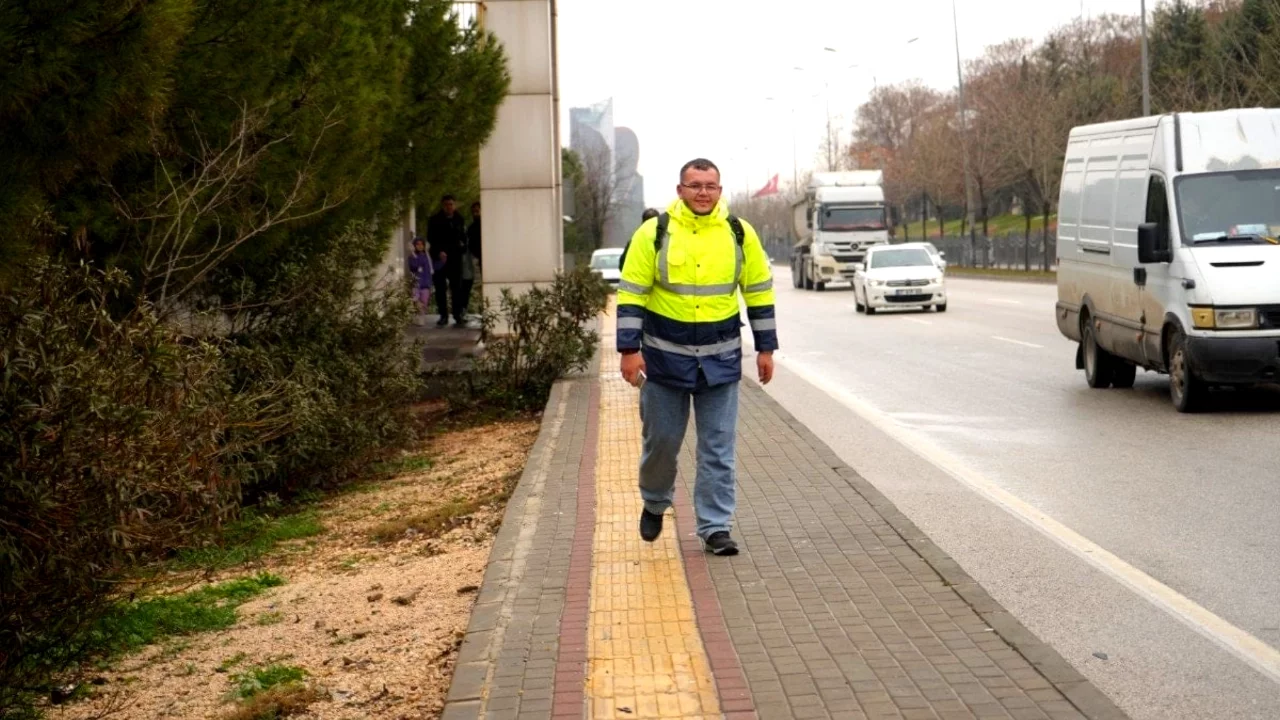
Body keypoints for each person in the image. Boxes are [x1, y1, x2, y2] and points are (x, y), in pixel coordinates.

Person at [615, 158, 778, 556]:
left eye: (710, 185)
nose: (703, 192)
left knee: (718, 448)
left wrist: (766, 347)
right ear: (680, 190)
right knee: (663, 443)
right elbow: (632, 292)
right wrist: (628, 351)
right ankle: (655, 500)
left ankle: (715, 526)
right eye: (695, 185)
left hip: (720, 361)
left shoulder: (739, 234)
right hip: (663, 361)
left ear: (720, 191)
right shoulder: (654, 233)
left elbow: (758, 291)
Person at [427, 194, 468, 327]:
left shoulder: (459, 219)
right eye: (446, 204)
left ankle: (457, 315)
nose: (449, 207)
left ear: (454, 205)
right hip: (440, 259)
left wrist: (462, 247)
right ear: (442, 205)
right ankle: (443, 315)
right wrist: (439, 252)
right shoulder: (434, 220)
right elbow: (431, 238)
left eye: (451, 204)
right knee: (440, 288)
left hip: (455, 258)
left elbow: (463, 238)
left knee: (456, 288)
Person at [408, 236, 434, 322]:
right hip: (416, 283)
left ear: (424, 245)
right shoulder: (412, 256)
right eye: (417, 244)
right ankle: (418, 315)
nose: (420, 246)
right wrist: (412, 253)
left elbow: (430, 269)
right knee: (415, 300)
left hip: (426, 283)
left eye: (422, 244)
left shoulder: (427, 257)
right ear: (414, 245)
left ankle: (421, 317)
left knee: (424, 301)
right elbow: (413, 266)